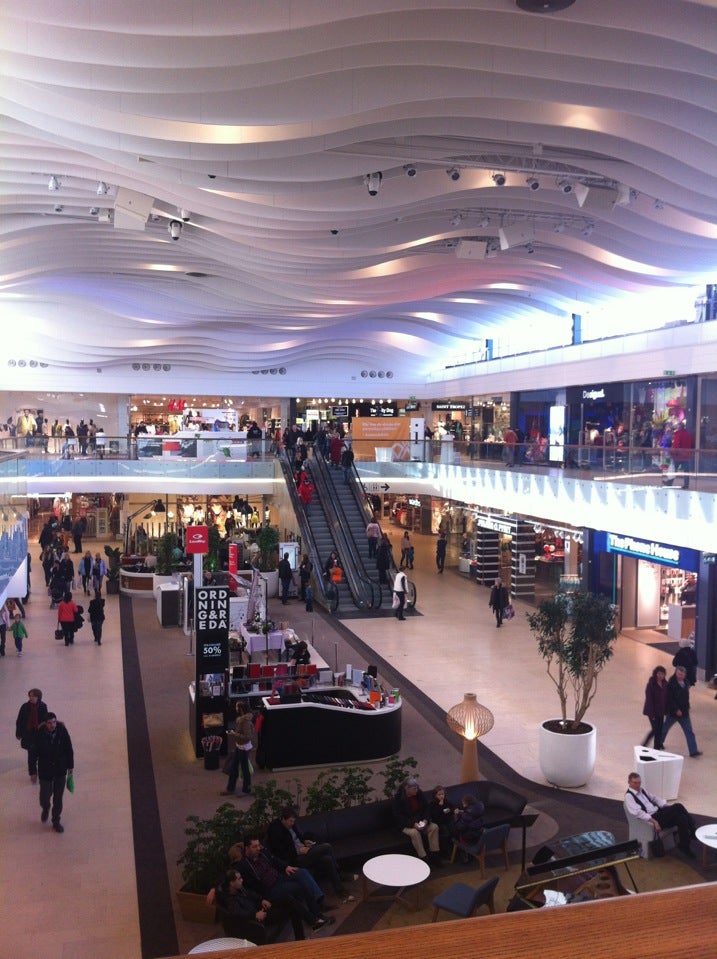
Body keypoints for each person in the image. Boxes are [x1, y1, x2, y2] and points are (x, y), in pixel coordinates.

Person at [238, 835, 334, 932]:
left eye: (259, 845)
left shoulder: (262, 853)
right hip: (271, 889)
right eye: (254, 847)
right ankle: (315, 919)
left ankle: (317, 909)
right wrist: (261, 899)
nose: (258, 848)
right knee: (301, 886)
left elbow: (274, 860)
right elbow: (248, 887)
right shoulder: (243, 866)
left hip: (280, 877)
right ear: (247, 848)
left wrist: (286, 867)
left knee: (302, 872)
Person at [265, 806, 354, 903]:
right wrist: (299, 851)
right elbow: (281, 852)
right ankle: (339, 873)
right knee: (326, 846)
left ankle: (340, 891)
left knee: (327, 859)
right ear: (282, 819)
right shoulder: (275, 829)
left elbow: (297, 837)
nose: (292, 823)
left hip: (303, 851)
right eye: (290, 821)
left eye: (293, 821)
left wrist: (304, 841)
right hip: (295, 858)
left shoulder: (291, 824)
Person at [213, 867, 305, 942]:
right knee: (292, 910)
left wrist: (262, 900)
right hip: (258, 919)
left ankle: (309, 925)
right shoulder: (231, 899)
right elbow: (236, 913)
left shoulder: (239, 888)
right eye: (239, 879)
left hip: (260, 907)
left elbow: (250, 893)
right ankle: (301, 940)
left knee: (287, 899)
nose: (242, 880)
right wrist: (255, 915)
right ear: (232, 883)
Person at [624, 772, 697, 857]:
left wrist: (667, 807)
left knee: (682, 818)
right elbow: (638, 813)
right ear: (629, 782)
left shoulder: (642, 790)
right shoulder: (629, 797)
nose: (637, 785)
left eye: (639, 782)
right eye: (635, 783)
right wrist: (654, 822)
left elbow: (655, 798)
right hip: (653, 819)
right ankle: (692, 830)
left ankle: (684, 846)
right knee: (678, 806)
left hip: (659, 813)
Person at [35, 712, 74, 833]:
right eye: (49, 723)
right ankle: (46, 807)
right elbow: (33, 753)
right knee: (44, 796)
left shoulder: (62, 731)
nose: (52, 725)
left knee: (58, 797)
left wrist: (70, 766)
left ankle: (56, 820)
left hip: (59, 770)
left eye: (54, 722)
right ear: (45, 724)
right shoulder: (39, 734)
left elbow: (69, 748)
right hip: (45, 770)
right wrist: (32, 771)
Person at [392, 778, 441, 863]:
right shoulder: (398, 799)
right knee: (414, 833)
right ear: (407, 788)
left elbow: (426, 808)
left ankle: (435, 854)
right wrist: (413, 824)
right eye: (414, 788)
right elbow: (399, 817)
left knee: (434, 827)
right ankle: (423, 857)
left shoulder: (419, 794)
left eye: (417, 788)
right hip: (406, 825)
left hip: (420, 821)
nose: (416, 790)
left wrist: (426, 820)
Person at [662, 665, 702, 757]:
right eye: (679, 674)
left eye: (682, 674)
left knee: (689, 732)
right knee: (665, 728)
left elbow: (686, 698)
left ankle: (693, 751)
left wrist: (687, 707)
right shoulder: (671, 684)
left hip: (684, 713)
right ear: (676, 673)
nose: (680, 676)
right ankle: (659, 742)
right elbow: (669, 699)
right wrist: (676, 710)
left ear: (684, 675)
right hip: (673, 713)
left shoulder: (686, 682)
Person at [15, 688, 49, 782]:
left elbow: (46, 721)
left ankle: (41, 770)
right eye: (30, 696)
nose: (31, 697)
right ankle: (33, 773)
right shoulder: (25, 707)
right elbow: (20, 721)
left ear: (38, 697)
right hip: (29, 734)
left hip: (40, 734)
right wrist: (18, 733)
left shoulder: (43, 706)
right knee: (31, 754)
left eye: (33, 696)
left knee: (41, 754)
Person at [221, 705, 255, 796]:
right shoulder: (242, 720)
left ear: (241, 709)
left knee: (244, 770)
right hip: (240, 746)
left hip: (243, 748)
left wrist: (234, 734)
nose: (235, 708)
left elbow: (247, 737)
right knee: (234, 767)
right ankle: (231, 788)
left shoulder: (245, 722)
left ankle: (246, 790)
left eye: (236, 707)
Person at [641, 666, 668, 750]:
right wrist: (651, 714)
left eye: (662, 674)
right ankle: (644, 745)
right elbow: (649, 700)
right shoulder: (651, 684)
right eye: (659, 673)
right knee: (655, 729)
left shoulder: (665, 684)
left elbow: (667, 697)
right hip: (652, 712)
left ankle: (657, 748)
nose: (660, 676)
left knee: (659, 730)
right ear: (656, 674)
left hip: (661, 712)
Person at [428, 785, 459, 852]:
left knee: (455, 831)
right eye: (439, 794)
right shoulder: (432, 804)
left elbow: (452, 808)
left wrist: (454, 810)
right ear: (435, 795)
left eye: (442, 794)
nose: (441, 796)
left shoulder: (446, 801)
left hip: (449, 820)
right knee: (446, 833)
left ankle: (458, 850)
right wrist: (440, 806)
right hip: (439, 822)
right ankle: (447, 852)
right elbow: (434, 815)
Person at [670, 420, 694, 488]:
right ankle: (686, 484)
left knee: (674, 469)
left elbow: (676, 445)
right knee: (686, 471)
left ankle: (670, 482)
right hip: (686, 455)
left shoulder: (678, 434)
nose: (676, 426)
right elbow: (691, 445)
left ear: (680, 427)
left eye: (677, 425)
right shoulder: (688, 434)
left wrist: (673, 453)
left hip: (678, 455)